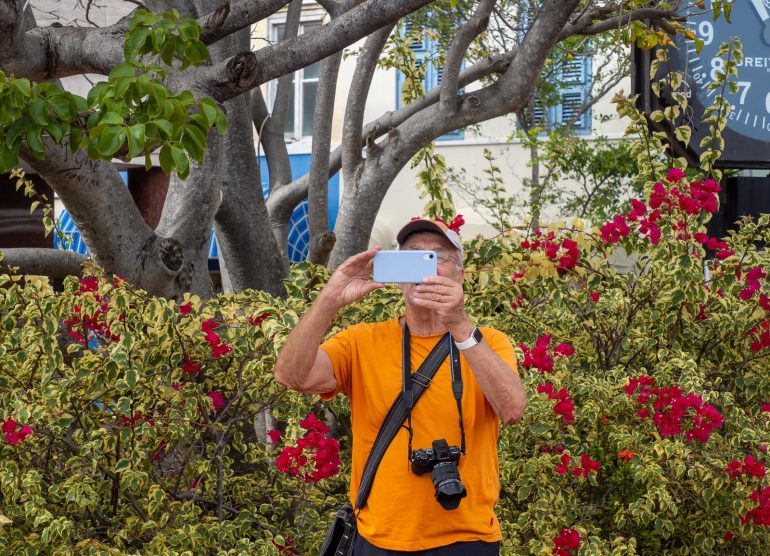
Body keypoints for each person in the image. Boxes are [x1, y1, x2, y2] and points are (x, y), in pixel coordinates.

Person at [274, 218, 527, 555]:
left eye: (438, 256)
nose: (426, 267)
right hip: (378, 538)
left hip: (468, 538)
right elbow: (291, 376)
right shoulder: (362, 342)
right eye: (413, 255)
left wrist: (459, 324)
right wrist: (330, 299)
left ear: (460, 275)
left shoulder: (487, 343)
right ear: (398, 274)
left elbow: (513, 409)